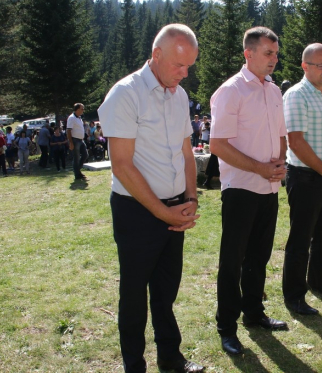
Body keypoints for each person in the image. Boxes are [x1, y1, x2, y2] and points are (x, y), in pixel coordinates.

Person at [98, 24, 203, 373]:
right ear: (156, 55)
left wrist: (191, 198)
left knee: (165, 290)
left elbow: (186, 153)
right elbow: (123, 166)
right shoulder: (125, 94)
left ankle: (171, 359)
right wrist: (163, 213)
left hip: (175, 206)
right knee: (134, 294)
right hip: (137, 211)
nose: (184, 74)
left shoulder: (180, 95)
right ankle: (134, 366)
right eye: (178, 65)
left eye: (189, 66)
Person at [210, 26, 288, 356]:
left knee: (259, 256)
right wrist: (259, 168)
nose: (274, 59)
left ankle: (254, 314)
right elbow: (217, 145)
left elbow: (281, 134)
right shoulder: (231, 91)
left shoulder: (273, 91)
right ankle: (227, 326)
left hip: (269, 188)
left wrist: (281, 161)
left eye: (276, 53)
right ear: (249, 53)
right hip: (241, 188)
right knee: (233, 259)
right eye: (268, 53)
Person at [282, 43, 322, 316]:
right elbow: (295, 142)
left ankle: (319, 282)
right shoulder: (297, 95)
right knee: (301, 239)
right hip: (306, 177)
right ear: (305, 66)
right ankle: (294, 296)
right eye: (320, 65)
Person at [67, 103, 88, 180]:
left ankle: (77, 171)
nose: (83, 110)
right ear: (77, 109)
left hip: (81, 140)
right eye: (82, 109)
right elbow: (68, 131)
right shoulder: (71, 118)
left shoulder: (79, 118)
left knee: (85, 155)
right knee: (76, 158)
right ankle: (77, 174)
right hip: (75, 140)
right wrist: (71, 142)